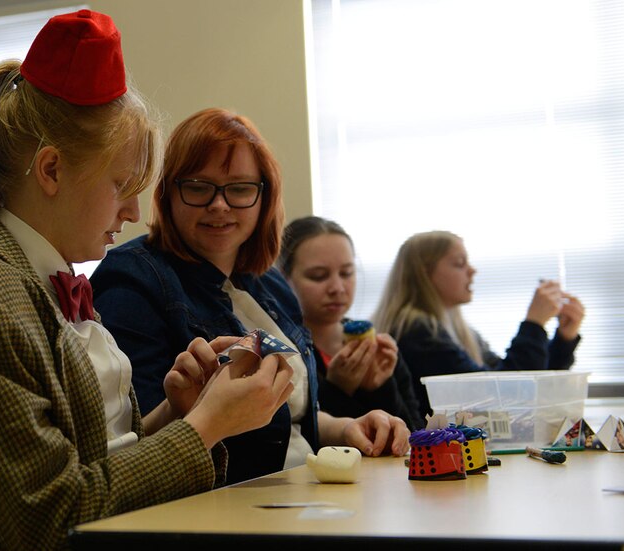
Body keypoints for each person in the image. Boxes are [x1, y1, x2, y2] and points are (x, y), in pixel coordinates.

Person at [0, 11, 294, 550]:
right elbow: (51, 519)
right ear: (51, 171)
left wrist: (181, 412)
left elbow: (97, 463)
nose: (132, 211)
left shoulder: (43, 280)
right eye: (122, 184)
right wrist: (206, 428)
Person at [90, 107, 410, 485]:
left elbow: (287, 415)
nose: (219, 205)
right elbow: (136, 438)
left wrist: (346, 428)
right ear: (168, 193)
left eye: (239, 188)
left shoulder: (271, 285)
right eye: (198, 186)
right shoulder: (133, 279)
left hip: (306, 493)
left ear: (264, 197)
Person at [371, 230, 585, 418]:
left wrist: (563, 339)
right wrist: (534, 324)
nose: (472, 271)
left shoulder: (459, 331)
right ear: (424, 275)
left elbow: (527, 382)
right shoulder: (417, 333)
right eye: (459, 263)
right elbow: (504, 396)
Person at [278, 216, 424, 430]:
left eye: (347, 273)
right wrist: (337, 389)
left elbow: (414, 438)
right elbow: (301, 442)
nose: (337, 287)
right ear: (283, 279)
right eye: (318, 276)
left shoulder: (379, 348)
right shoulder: (283, 354)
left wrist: (380, 387)